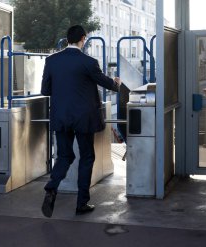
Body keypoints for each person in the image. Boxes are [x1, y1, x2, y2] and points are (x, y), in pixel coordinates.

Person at [40, 25, 121, 217]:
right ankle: (81, 203)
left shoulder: (52, 61)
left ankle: (52, 187)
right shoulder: (88, 62)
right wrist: (116, 83)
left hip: (61, 116)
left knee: (64, 157)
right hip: (84, 118)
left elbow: (45, 90)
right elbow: (104, 81)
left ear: (67, 39)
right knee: (87, 157)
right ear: (83, 39)